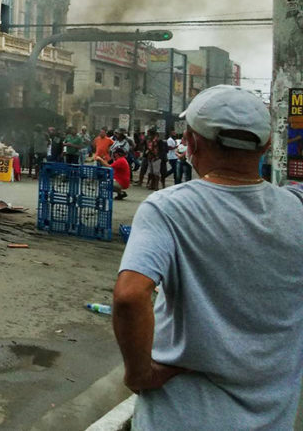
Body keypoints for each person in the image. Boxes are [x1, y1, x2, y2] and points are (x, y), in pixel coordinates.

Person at [112, 85, 303, 429]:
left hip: (182, 416)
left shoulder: (168, 208)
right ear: (267, 145)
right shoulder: (298, 209)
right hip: (272, 419)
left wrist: (140, 375)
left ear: (193, 142)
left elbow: (129, 295)